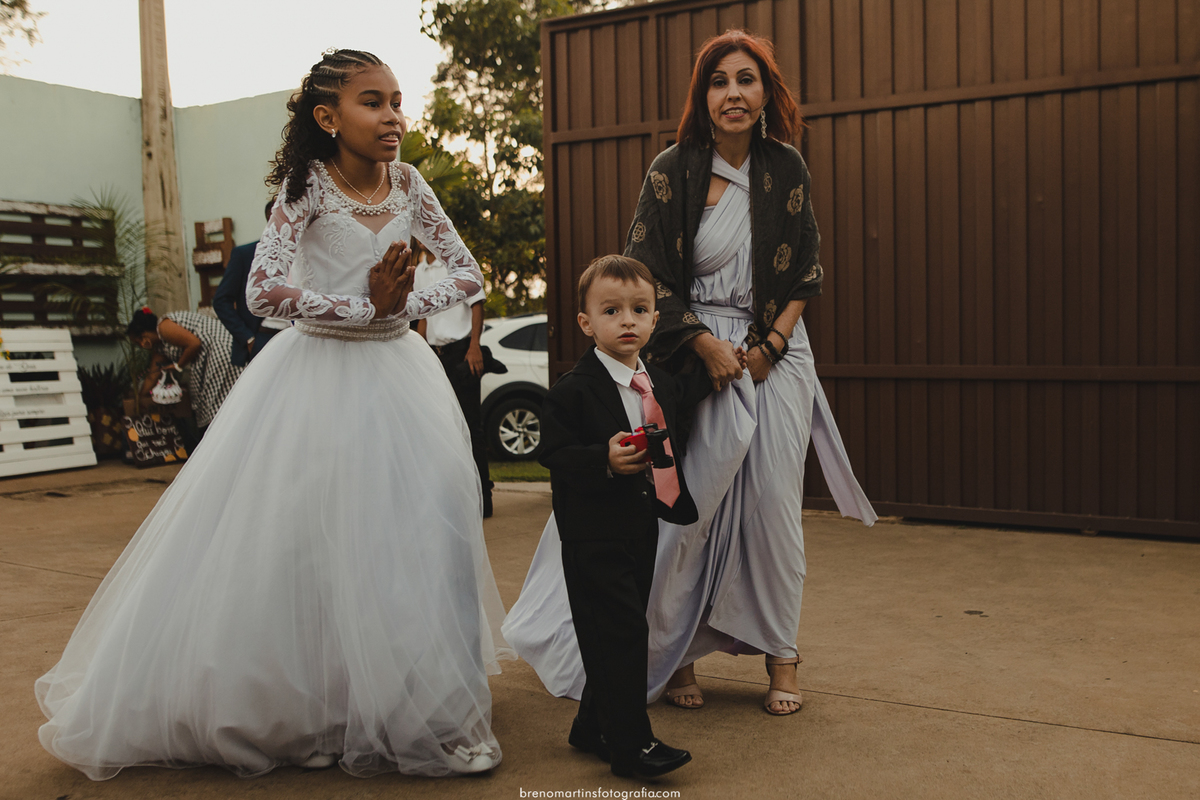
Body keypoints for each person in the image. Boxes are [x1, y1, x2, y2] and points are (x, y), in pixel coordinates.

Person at [36, 49, 512, 780]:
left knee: (413, 533)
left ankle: (417, 704)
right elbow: (262, 292)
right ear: (329, 118)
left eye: (396, 101)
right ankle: (309, 709)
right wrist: (362, 306)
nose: (392, 117)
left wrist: (398, 307)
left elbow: (466, 272)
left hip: (400, 377)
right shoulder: (305, 189)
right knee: (309, 542)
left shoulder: (411, 185)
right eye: (372, 102)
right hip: (314, 379)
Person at [503, 30, 876, 717]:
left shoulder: (785, 166)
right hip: (688, 355)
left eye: (746, 80)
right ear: (702, 96)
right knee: (684, 511)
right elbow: (642, 274)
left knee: (772, 509)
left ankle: (783, 656)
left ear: (766, 94)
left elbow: (806, 271)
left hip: (777, 355)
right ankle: (676, 654)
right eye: (718, 81)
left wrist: (769, 347)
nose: (733, 93)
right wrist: (705, 347)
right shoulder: (671, 169)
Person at [540, 255, 708, 778]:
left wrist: (737, 363)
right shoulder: (575, 388)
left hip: (640, 529)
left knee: (622, 628)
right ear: (588, 323)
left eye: (640, 309)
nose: (628, 320)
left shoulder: (656, 380)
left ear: (656, 319)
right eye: (612, 311)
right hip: (592, 536)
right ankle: (632, 746)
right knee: (622, 636)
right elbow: (552, 451)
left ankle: (592, 724)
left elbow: (686, 399)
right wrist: (602, 460)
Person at [413, 243, 494, 517]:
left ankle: (484, 496)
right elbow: (424, 317)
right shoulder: (420, 267)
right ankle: (456, 496)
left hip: (463, 351)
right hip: (437, 354)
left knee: (471, 425)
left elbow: (477, 304)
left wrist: (475, 346)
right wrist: (421, 353)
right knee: (443, 425)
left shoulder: (455, 260)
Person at [126, 306, 242, 431]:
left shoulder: (164, 327)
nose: (140, 346)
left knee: (218, 402)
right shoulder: (160, 348)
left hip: (220, 350)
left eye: (138, 342)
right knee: (204, 401)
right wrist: (138, 401)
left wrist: (178, 365)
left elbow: (194, 344)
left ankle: (223, 431)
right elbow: (152, 376)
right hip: (209, 359)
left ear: (144, 335)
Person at [212, 199, 290, 365]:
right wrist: (248, 338)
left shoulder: (303, 255)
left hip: (297, 339)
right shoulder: (245, 254)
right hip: (263, 337)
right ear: (271, 219)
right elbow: (221, 301)